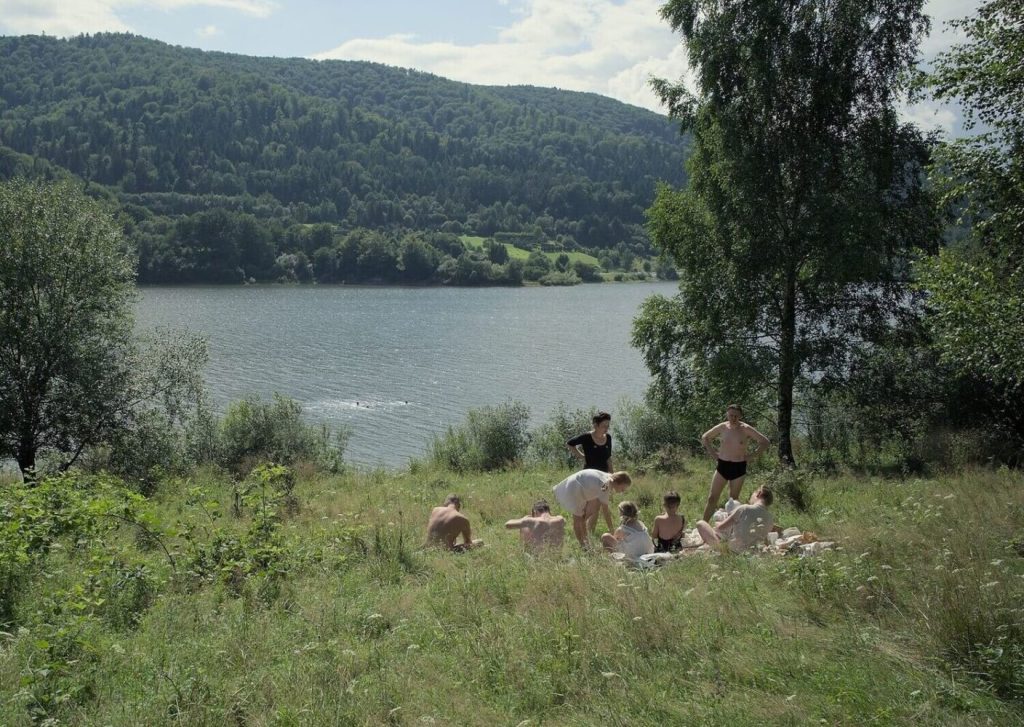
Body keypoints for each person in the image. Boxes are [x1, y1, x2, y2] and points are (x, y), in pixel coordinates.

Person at [700, 404, 771, 523]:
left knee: (733, 501)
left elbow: (765, 442)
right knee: (712, 498)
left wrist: (751, 456)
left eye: (736, 416)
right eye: (731, 415)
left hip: (738, 467)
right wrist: (713, 454)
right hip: (722, 465)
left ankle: (730, 528)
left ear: (740, 416)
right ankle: (703, 525)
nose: (733, 418)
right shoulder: (722, 427)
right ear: (727, 415)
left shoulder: (745, 428)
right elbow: (705, 437)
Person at [552, 469, 632, 548]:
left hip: (580, 486)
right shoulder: (605, 484)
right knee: (578, 518)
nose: (622, 491)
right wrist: (612, 531)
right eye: (622, 488)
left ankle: (586, 543)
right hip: (575, 488)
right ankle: (583, 546)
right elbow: (605, 511)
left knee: (583, 517)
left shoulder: (607, 478)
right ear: (618, 482)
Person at [695, 486, 774, 552]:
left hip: (733, 551)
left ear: (759, 493)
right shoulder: (770, 519)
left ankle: (722, 551)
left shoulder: (744, 508)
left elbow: (720, 527)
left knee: (701, 523)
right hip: (751, 553)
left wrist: (717, 522)